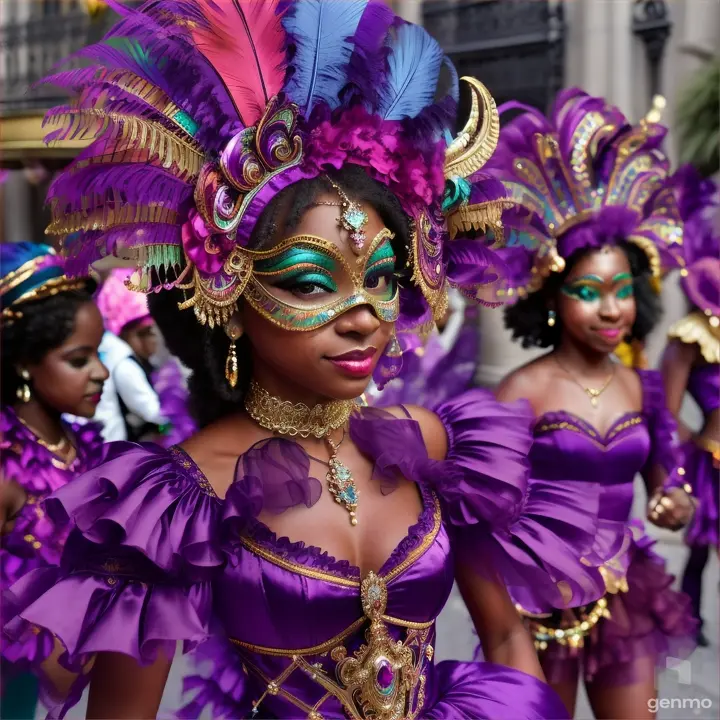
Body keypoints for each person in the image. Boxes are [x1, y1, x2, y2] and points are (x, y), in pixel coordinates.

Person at [4, 3, 619, 718]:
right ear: (228, 294)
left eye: (383, 279)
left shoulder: (438, 446)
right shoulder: (174, 500)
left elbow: (509, 639)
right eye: (309, 282)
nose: (363, 316)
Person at [483, 90, 698, 719]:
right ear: (552, 298)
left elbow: (666, 478)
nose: (611, 310)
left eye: (622, 292)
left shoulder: (642, 385)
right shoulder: (520, 392)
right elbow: (490, 517)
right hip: (537, 602)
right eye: (588, 292)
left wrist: (673, 500)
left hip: (623, 594)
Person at [0, 243, 107, 719]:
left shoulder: (85, 450)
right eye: (79, 359)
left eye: (99, 354)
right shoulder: (4, 468)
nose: (102, 372)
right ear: (25, 362)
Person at [660, 167, 720, 648]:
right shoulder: (692, 337)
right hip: (712, 459)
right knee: (702, 547)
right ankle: (691, 618)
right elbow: (668, 410)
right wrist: (683, 459)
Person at [95, 270, 169, 441]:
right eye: (143, 333)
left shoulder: (133, 358)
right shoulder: (124, 364)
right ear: (125, 334)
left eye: (152, 331)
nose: (153, 340)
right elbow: (153, 412)